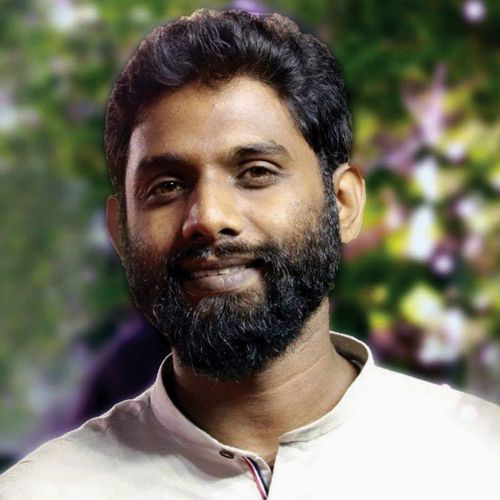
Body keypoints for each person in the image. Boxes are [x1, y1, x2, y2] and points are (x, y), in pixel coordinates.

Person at [1, 8, 498, 499]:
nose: (209, 217)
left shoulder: (481, 461)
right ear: (121, 232)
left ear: (343, 203)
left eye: (256, 172)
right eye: (167, 186)